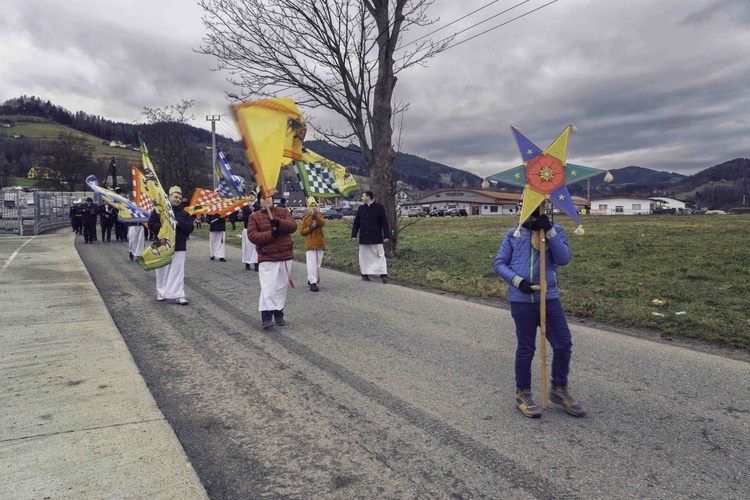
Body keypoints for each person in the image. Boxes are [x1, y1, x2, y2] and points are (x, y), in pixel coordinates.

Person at [493, 208, 586, 418]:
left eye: (536, 210)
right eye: (526, 209)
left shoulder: (556, 230)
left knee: (563, 343)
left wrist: (549, 230)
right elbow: (499, 264)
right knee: (526, 348)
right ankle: (522, 393)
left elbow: (563, 259)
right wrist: (519, 282)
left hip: (549, 298)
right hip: (521, 300)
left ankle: (558, 390)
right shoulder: (514, 234)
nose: (529, 214)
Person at [247, 195, 298, 329]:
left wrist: (279, 223)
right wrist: (271, 235)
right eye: (263, 198)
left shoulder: (282, 212)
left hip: (285, 256)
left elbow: (293, 226)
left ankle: (278, 312)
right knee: (268, 287)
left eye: (269, 197)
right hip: (267, 257)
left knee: (281, 287)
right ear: (260, 201)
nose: (267, 200)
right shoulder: (254, 217)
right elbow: (252, 236)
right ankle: (266, 316)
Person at [148, 186, 194, 305]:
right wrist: (165, 227)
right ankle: (161, 291)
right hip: (162, 244)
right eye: (175, 197)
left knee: (177, 271)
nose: (178, 199)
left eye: (179, 197)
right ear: (169, 197)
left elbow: (190, 228)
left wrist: (177, 223)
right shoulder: (159, 210)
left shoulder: (184, 213)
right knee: (162, 269)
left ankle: (178, 294)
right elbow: (151, 224)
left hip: (179, 245)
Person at [351, 190, 391, 283]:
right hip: (364, 237)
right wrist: (354, 234)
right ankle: (365, 274)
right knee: (364, 256)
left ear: (368, 197)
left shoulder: (379, 208)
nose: (362, 198)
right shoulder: (361, 208)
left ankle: (383, 275)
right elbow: (356, 222)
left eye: (363, 196)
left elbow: (384, 223)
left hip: (376, 237)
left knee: (380, 256)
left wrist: (386, 235)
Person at [300, 196, 325, 292]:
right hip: (310, 244)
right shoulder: (305, 219)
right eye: (312, 206)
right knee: (311, 264)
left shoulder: (319, 216)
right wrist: (311, 228)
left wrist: (315, 216)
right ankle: (313, 282)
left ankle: (311, 278)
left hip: (319, 243)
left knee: (317, 264)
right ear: (308, 207)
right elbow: (302, 232)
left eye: (315, 205)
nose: (314, 207)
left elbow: (322, 223)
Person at [237, 196, 259, 271]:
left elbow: (260, 216)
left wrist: (254, 211)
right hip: (247, 228)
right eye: (250, 195)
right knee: (247, 247)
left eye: (253, 195)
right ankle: (247, 263)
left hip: (256, 229)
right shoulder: (245, 207)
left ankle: (256, 263)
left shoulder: (258, 206)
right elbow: (243, 218)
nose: (251, 196)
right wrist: (250, 216)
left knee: (255, 247)